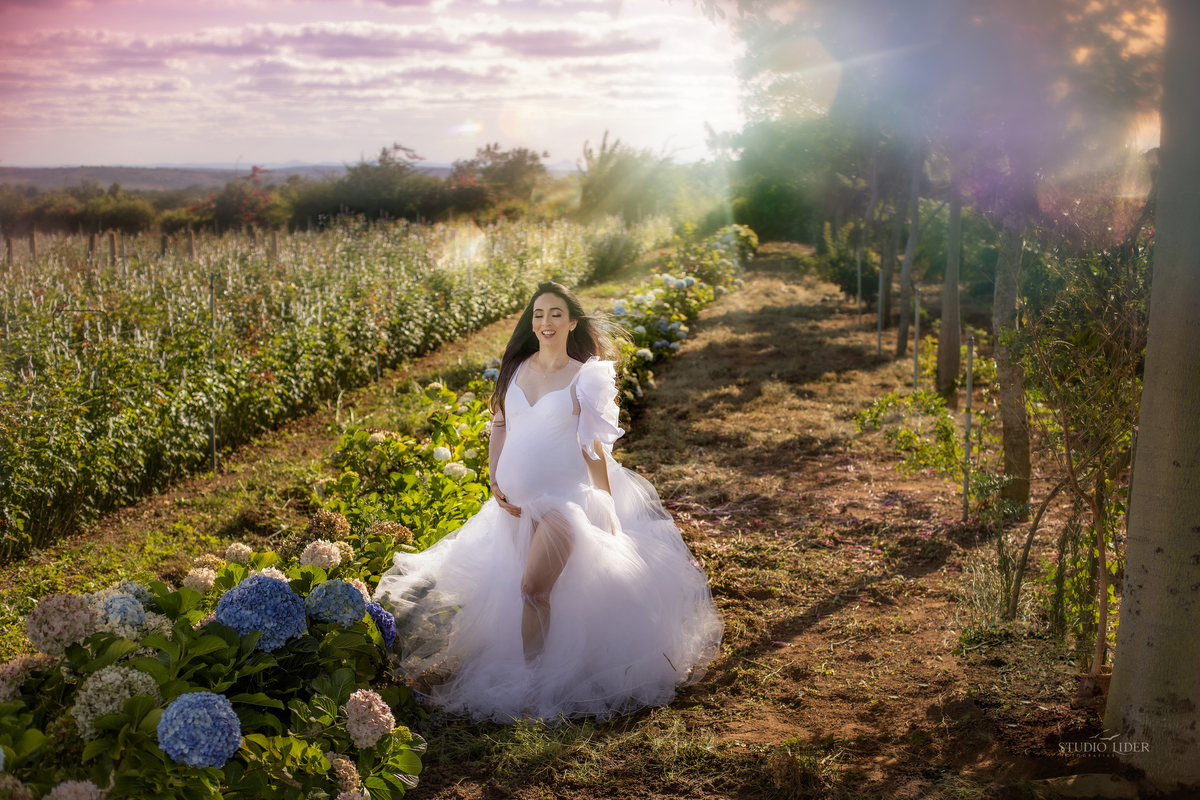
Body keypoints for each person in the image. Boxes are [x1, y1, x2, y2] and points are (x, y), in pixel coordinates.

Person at [374, 281, 723, 722]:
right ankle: (551, 664)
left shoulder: (585, 376)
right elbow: (501, 423)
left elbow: (594, 449)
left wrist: (605, 504)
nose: (546, 322)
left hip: (564, 502)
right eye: (539, 314)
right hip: (513, 507)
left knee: (532, 589)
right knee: (536, 593)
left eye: (556, 314)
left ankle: (533, 686)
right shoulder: (516, 368)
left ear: (572, 321)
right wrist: (494, 478)